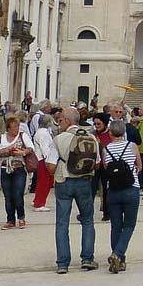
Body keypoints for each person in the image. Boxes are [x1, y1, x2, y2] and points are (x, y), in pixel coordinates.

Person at [52, 106, 100, 273]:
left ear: (67, 120)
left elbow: (51, 166)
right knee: (87, 220)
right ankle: (87, 258)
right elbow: (98, 162)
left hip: (64, 180)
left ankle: (63, 263)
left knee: (62, 223)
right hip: (84, 181)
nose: (59, 123)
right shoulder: (91, 137)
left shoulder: (59, 139)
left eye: (60, 120)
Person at [102, 121, 141, 272]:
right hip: (131, 189)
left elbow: (107, 168)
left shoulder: (106, 150)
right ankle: (117, 254)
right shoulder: (132, 146)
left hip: (113, 190)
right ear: (124, 132)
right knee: (129, 225)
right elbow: (139, 165)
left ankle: (119, 260)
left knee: (115, 226)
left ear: (110, 133)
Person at [0, 115, 35, 229]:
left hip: (19, 168)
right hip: (5, 168)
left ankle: (21, 217)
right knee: (8, 196)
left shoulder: (23, 136)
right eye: (14, 127)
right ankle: (10, 220)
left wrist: (22, 152)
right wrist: (5, 150)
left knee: (18, 194)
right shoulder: (1, 138)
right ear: (8, 128)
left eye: (17, 126)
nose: (16, 129)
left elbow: (31, 148)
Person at [31, 112, 59, 211]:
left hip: (42, 160)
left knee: (42, 181)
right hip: (44, 160)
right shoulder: (43, 133)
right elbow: (45, 149)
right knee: (45, 182)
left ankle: (37, 200)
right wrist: (50, 161)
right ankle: (39, 204)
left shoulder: (41, 132)